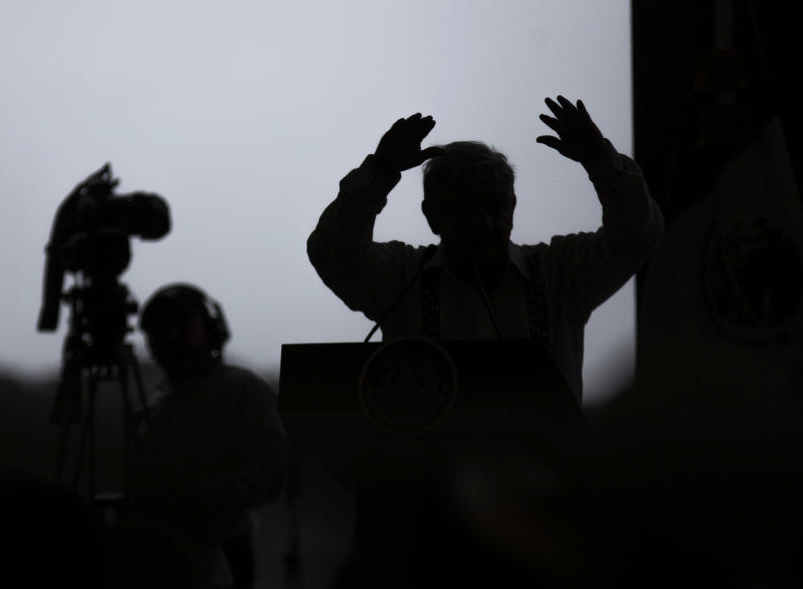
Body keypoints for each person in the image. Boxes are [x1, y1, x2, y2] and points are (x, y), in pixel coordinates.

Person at [307, 96, 665, 401]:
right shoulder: (400, 276)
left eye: (494, 206)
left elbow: (638, 235)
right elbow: (332, 254)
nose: (484, 223)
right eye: (465, 208)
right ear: (432, 216)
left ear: (513, 205)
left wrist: (601, 161)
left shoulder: (562, 271)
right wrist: (379, 173)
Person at [128, 283, 287, 589]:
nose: (171, 336)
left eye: (181, 325)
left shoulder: (241, 388)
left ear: (210, 328)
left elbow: (270, 474)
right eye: (160, 329)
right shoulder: (156, 402)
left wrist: (194, 497)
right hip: (158, 555)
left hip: (220, 554)